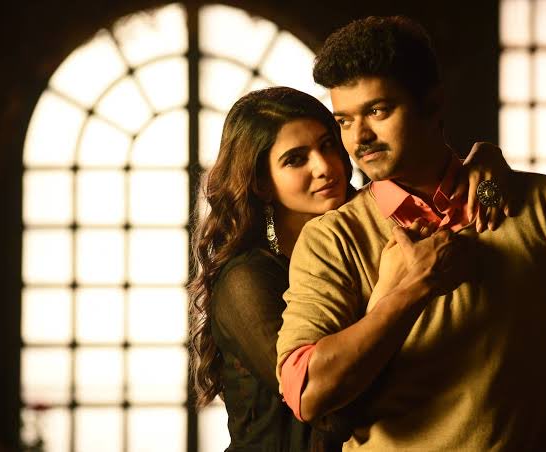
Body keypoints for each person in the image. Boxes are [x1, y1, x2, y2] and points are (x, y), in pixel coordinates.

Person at [276, 16, 546, 451]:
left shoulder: (538, 203)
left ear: (432, 103)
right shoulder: (333, 238)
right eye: (344, 120)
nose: (360, 138)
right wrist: (410, 291)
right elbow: (305, 392)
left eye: (377, 111)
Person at [188, 86, 514, 451]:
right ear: (262, 183)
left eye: (328, 145)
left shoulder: (369, 231)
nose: (324, 167)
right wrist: (390, 290)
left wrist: (485, 162)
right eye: (296, 160)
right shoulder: (245, 281)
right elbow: (331, 413)